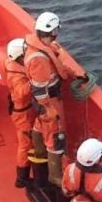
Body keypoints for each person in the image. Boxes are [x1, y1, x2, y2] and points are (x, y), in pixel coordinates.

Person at [24, 11, 78, 182]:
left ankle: (39, 153)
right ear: (53, 31)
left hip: (44, 101)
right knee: (56, 136)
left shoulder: (40, 48)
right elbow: (40, 89)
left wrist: (75, 75)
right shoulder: (39, 59)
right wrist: (49, 109)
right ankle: (55, 176)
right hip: (49, 100)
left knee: (40, 125)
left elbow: (57, 66)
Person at [4, 38, 37, 188]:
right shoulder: (16, 76)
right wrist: (34, 81)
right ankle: (22, 178)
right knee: (25, 144)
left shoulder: (14, 66)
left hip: (24, 110)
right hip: (22, 113)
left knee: (27, 142)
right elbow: (21, 93)